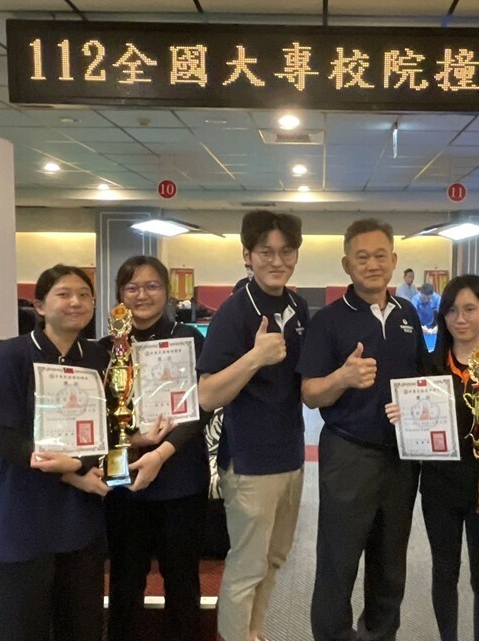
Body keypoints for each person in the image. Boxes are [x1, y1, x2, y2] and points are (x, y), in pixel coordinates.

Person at [298, 218, 428, 641]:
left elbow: (423, 380)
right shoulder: (330, 321)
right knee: (339, 560)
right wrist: (343, 378)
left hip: (401, 458)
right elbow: (310, 394)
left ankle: (379, 634)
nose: (372, 265)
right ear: (346, 264)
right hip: (348, 454)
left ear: (393, 261)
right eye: (362, 257)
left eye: (380, 256)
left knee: (390, 562)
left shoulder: (407, 313)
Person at [385, 275, 479, 641]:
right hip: (440, 486)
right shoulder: (429, 366)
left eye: (470, 309)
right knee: (444, 572)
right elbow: (417, 422)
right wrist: (403, 415)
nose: (460, 318)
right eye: (451, 310)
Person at [0, 265, 110, 641]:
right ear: (40, 305)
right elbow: (4, 439)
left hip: (79, 525)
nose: (75, 302)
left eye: (84, 295)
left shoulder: (97, 359)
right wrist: (70, 472)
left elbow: (107, 433)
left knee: (82, 628)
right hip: (21, 519)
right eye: (64, 294)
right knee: (21, 629)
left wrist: (84, 466)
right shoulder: (10, 357)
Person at [197, 210, 308, 641]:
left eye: (286, 251)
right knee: (245, 569)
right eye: (266, 252)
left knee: (274, 561)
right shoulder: (234, 311)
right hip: (248, 462)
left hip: (292, 456)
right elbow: (207, 395)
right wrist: (254, 357)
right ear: (248, 256)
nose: (277, 261)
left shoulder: (297, 305)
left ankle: (254, 633)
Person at [100, 256, 210, 641]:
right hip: (123, 476)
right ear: (119, 294)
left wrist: (162, 448)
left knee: (182, 578)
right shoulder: (106, 350)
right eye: (132, 287)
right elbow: (97, 420)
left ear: (167, 292)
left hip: (180, 475)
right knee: (126, 579)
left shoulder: (190, 340)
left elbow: (204, 407)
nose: (142, 295)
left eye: (152, 286)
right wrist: (130, 441)